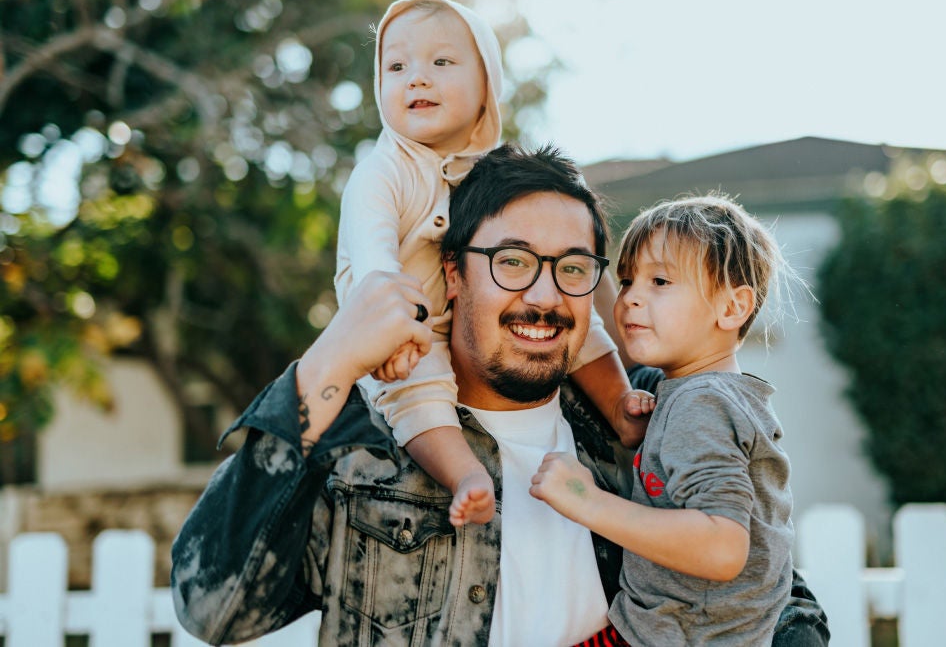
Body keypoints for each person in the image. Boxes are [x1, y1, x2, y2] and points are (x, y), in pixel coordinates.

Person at [171, 144, 829, 646]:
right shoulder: (359, 439)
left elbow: (770, 584)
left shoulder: (643, 414)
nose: (544, 296)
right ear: (453, 274)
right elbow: (213, 607)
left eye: (572, 269)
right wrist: (326, 364)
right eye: (512, 262)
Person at [334, 0, 651, 528]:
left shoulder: (494, 175)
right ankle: (465, 475)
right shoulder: (382, 172)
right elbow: (374, 268)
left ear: (487, 86)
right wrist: (392, 335)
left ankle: (620, 406)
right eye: (396, 66)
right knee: (418, 395)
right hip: (402, 332)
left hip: (453, 320)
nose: (416, 78)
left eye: (441, 62)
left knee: (580, 320)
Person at [532, 195, 802, 646]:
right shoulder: (709, 396)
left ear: (732, 308)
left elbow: (722, 547)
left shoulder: (701, 403)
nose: (631, 297)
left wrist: (585, 501)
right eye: (626, 280)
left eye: (659, 281)